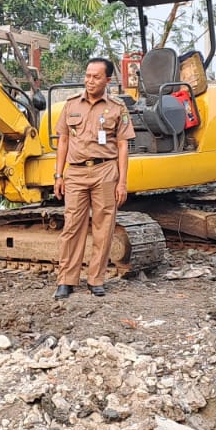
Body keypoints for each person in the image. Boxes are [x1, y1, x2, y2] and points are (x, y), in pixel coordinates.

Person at [53, 57, 134, 299]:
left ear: (107, 80)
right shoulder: (70, 105)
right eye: (87, 76)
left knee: (104, 228)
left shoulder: (117, 108)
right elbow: (63, 141)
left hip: (105, 172)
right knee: (72, 227)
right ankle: (66, 280)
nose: (90, 81)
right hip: (76, 173)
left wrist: (122, 182)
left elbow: (122, 146)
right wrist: (59, 175)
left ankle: (96, 279)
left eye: (96, 77)